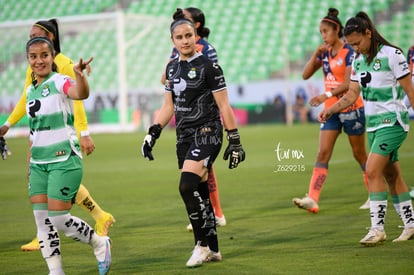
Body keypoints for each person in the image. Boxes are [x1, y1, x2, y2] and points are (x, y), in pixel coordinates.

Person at [0, 19, 115, 251]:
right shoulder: (32, 69)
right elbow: (27, 98)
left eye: (36, 34)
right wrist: (8, 124)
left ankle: (53, 231)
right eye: (30, 36)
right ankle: (93, 218)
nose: (31, 38)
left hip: (61, 132)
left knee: (51, 180)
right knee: (40, 181)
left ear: (51, 38)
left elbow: (77, 98)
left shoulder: (62, 64)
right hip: (39, 131)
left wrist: (84, 132)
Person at [141, 13, 245, 267]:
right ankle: (215, 249)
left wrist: (235, 140)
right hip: (184, 136)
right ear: (172, 40)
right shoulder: (171, 68)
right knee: (199, 191)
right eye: (180, 37)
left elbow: (224, 106)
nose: (185, 41)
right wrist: (152, 132)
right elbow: (168, 107)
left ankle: (201, 246)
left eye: (189, 36)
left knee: (186, 186)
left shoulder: (210, 67)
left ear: (196, 36)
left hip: (208, 132)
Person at [319, 11, 414, 246]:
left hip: (393, 122)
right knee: (391, 175)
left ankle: (377, 228)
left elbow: (410, 92)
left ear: (369, 34)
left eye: (358, 43)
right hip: (373, 127)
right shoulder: (358, 60)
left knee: (372, 170)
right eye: (351, 45)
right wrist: (330, 109)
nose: (355, 49)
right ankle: (411, 225)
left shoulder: (393, 55)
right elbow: (352, 94)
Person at [22, 36, 111, 274]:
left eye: (44, 55)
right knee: (41, 220)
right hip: (39, 164)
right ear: (28, 60)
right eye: (33, 56)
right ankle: (56, 271)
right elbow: (34, 133)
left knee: (59, 219)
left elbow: (80, 93)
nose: (39, 60)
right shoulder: (31, 90)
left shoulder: (60, 80)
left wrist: (79, 75)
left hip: (64, 160)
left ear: (52, 57)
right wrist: (30, 163)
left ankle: (98, 243)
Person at [292, 8, 370, 213]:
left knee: (360, 154)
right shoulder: (325, 53)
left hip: (351, 108)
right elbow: (305, 75)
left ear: (337, 30)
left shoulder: (349, 52)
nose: (323, 36)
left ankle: (374, 194)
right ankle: (313, 198)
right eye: (320, 32)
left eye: (326, 31)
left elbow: (348, 84)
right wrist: (315, 54)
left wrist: (324, 96)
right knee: (323, 153)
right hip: (331, 112)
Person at [161, 7, 226, 231]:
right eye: (178, 36)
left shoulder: (207, 50)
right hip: (184, 123)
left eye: (186, 27)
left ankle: (214, 215)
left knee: (199, 172)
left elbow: (209, 77)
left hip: (205, 121)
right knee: (200, 174)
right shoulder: (175, 52)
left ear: (195, 26)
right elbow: (166, 78)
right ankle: (210, 226)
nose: (183, 38)